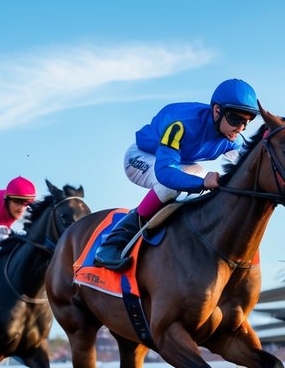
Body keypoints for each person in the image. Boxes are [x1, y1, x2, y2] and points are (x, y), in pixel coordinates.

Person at [92, 78, 260, 270]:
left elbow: (247, 168)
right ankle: (111, 244)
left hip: (179, 161)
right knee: (169, 188)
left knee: (218, 189)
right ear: (217, 111)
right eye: (236, 119)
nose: (241, 128)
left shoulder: (233, 139)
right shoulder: (180, 124)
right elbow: (165, 172)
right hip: (142, 156)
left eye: (247, 122)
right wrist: (202, 182)